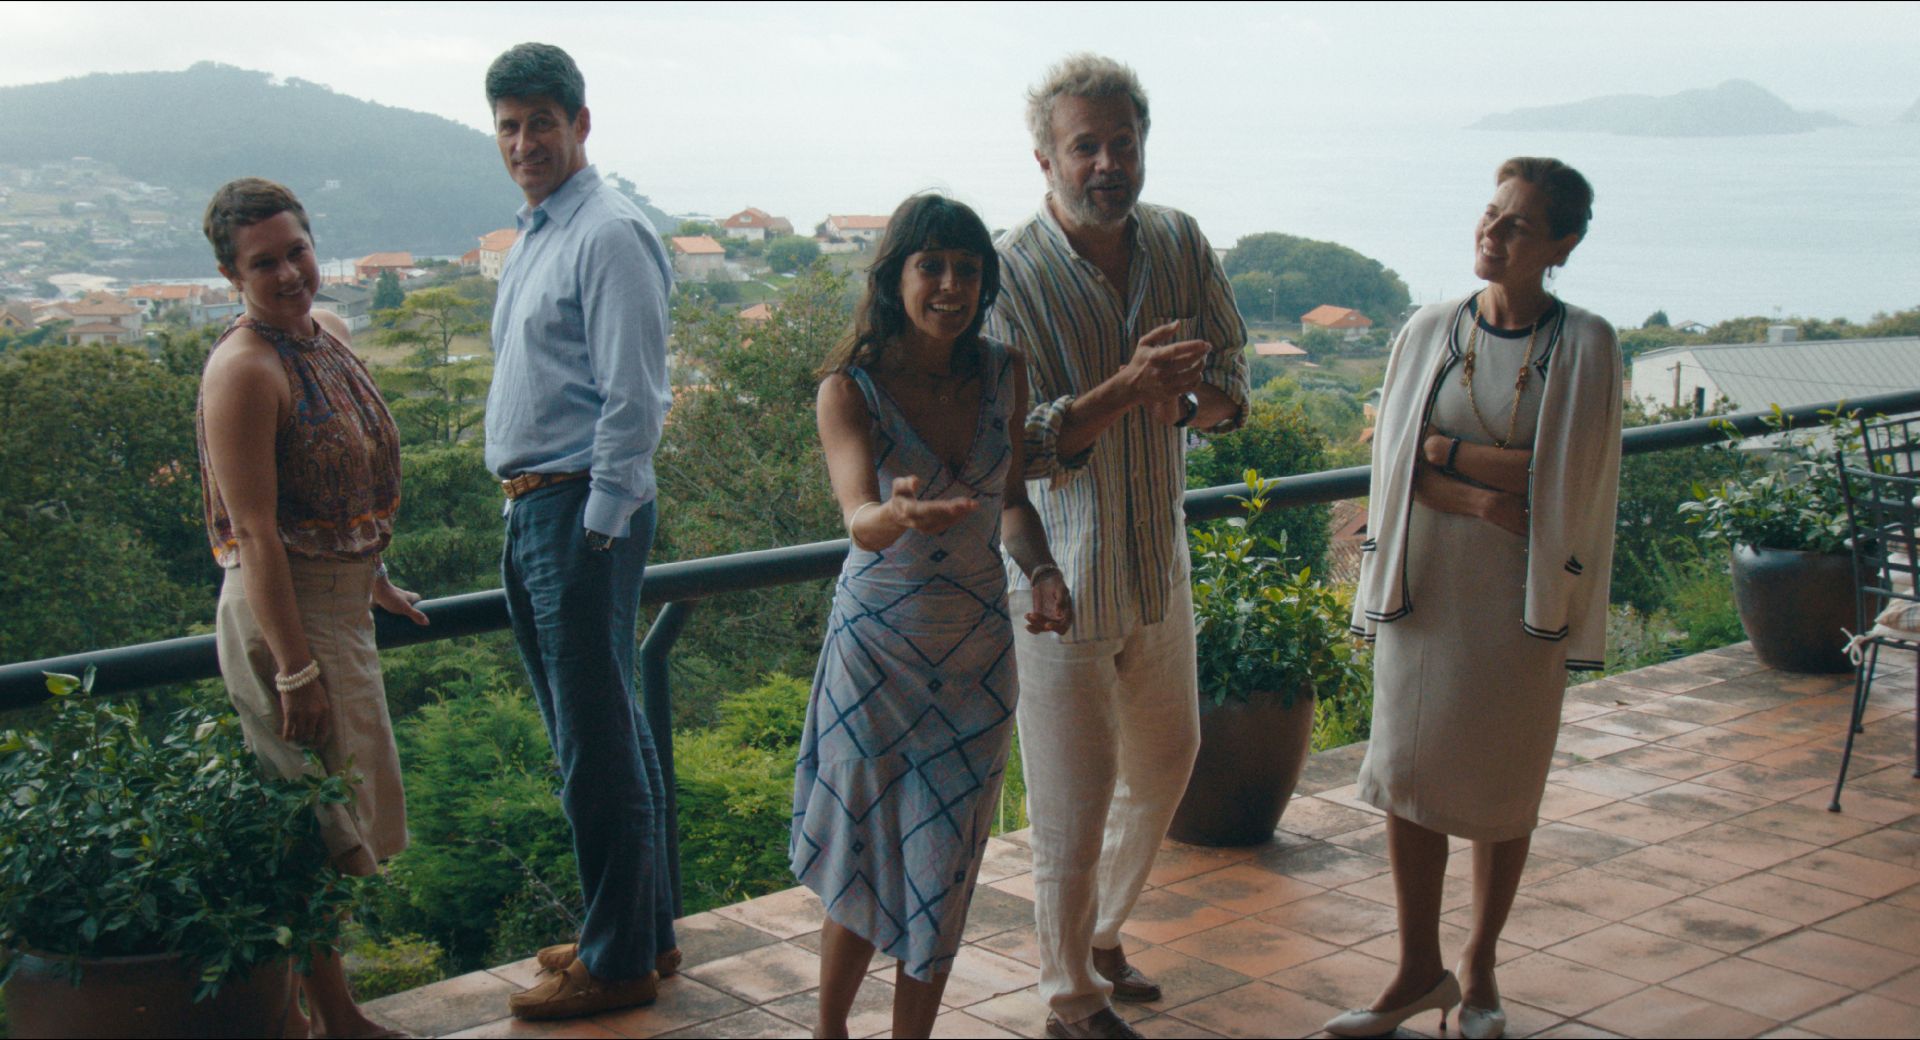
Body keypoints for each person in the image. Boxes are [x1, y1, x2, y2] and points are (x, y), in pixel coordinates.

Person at [983, 54, 1250, 1040]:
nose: (1107, 164)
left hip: (1156, 564)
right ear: (1045, 159)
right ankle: (1070, 1000)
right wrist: (1126, 390)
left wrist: (1185, 400)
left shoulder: (1178, 241)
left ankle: (1097, 933)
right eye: (1084, 146)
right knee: (1071, 806)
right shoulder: (1008, 274)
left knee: (1170, 759)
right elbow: (1015, 450)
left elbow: (1232, 387)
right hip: (1058, 578)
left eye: (1122, 143)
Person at [1331, 158, 1621, 1040]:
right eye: (1491, 214)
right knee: (1408, 778)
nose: (1491, 234)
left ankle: (1482, 965)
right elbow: (1392, 466)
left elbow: (1564, 480)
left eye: (1518, 225)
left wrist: (1446, 453)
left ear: (1561, 245)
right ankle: (1418, 969)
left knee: (1503, 786)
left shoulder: (1587, 344)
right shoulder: (1429, 330)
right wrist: (1483, 495)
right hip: (1425, 589)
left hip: (1521, 601)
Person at [795, 193, 1073, 1039]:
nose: (951, 285)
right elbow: (858, 517)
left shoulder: (1003, 372)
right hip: (875, 658)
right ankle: (829, 1030)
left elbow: (1012, 502)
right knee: (864, 848)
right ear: (896, 277)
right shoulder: (850, 389)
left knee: (946, 864)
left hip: (977, 658)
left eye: (968, 269)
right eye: (932, 266)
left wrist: (1043, 570)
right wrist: (897, 513)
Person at [196, 177, 425, 1040]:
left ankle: (321, 1016)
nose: (290, 273)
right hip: (283, 619)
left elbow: (342, 480)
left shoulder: (328, 334)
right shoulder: (243, 371)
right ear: (231, 275)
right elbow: (256, 534)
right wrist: (295, 670)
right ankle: (328, 1018)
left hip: (340, 607)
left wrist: (374, 577)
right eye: (265, 263)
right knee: (315, 832)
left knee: (342, 822)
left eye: (297, 251)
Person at [479, 43, 678, 1022]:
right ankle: (645, 929)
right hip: (538, 507)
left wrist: (597, 530)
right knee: (606, 732)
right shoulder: (538, 234)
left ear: (581, 124)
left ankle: (616, 959)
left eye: (542, 124)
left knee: (593, 747)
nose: (525, 142)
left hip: (578, 511)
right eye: (509, 127)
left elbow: (634, 399)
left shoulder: (607, 232)